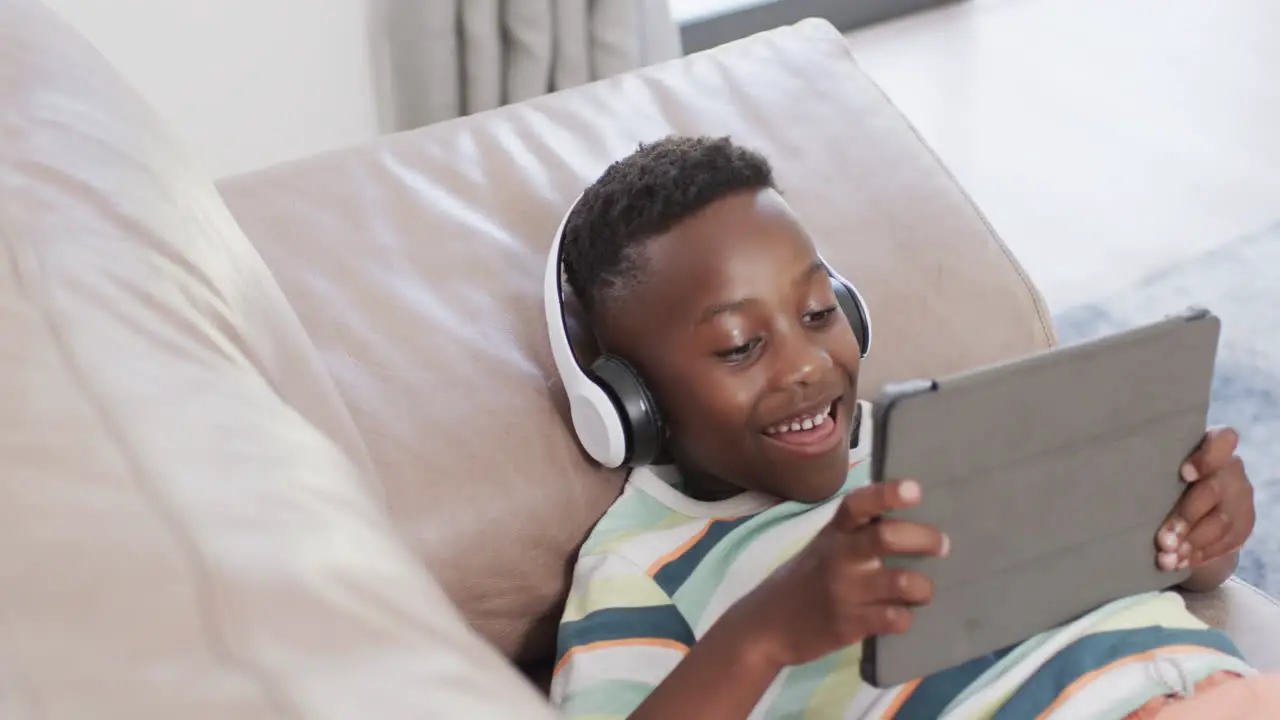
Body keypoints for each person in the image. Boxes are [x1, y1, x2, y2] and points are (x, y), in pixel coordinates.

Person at [549, 135, 1265, 719]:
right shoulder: (634, 567)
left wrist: (1201, 533)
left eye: (819, 312)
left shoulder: (955, 434)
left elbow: (1177, 569)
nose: (806, 365)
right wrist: (762, 636)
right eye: (740, 346)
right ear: (631, 399)